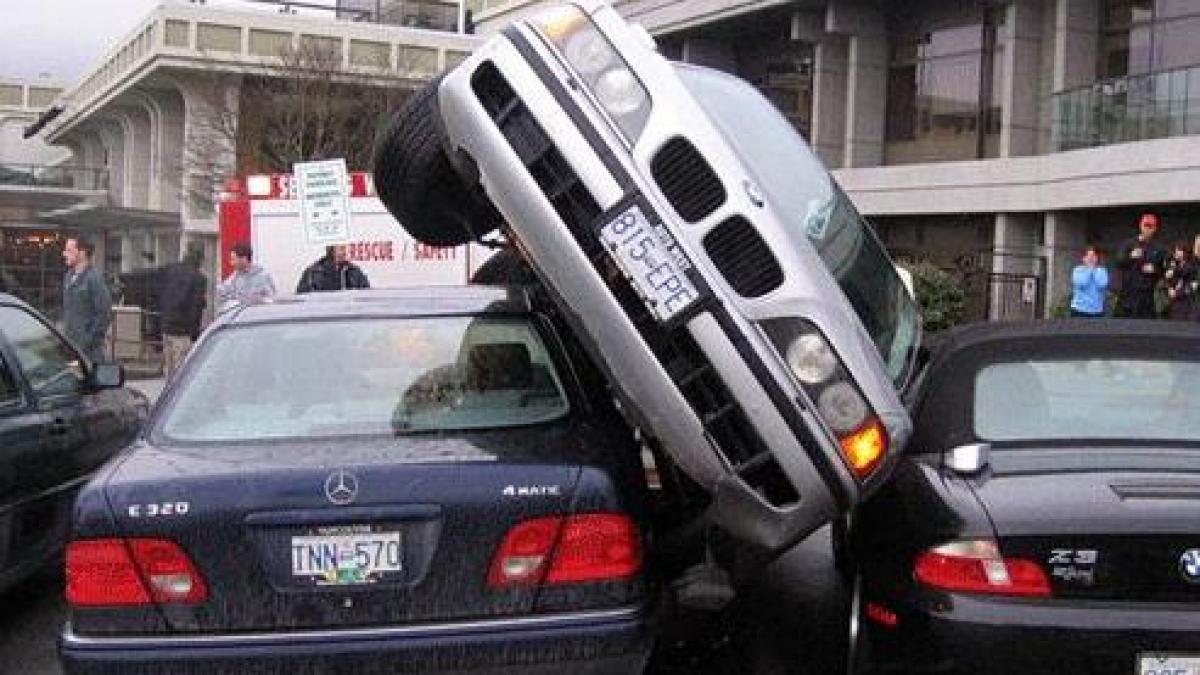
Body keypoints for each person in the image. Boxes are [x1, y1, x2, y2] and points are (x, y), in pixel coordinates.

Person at [61, 236, 113, 363]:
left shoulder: (94, 279)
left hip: (89, 353)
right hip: (71, 348)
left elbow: (104, 313)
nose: (64, 254)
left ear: (82, 253)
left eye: (69, 250)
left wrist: (88, 340)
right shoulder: (68, 276)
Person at [159, 246, 208, 377]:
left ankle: (168, 395)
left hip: (167, 325)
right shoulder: (199, 279)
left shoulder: (171, 270)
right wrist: (194, 334)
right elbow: (195, 308)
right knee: (182, 372)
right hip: (183, 330)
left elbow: (161, 295)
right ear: (200, 260)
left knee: (169, 371)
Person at [1113, 212, 1168, 319]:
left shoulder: (1159, 248)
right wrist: (1130, 257)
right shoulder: (1129, 244)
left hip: (1147, 296)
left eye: (1150, 226)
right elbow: (1118, 262)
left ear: (1155, 228)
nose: (1147, 229)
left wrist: (1155, 269)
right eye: (1145, 225)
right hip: (1128, 294)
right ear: (1140, 226)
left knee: (1146, 328)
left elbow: (1164, 271)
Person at [216, 242, 276, 313]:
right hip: (239, 320)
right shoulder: (232, 280)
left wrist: (256, 301)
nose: (231, 263)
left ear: (244, 259)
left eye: (233, 259)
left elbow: (271, 300)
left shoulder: (264, 277)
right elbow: (222, 301)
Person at [295, 244, 370, 293]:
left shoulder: (354, 271)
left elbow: (366, 294)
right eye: (342, 248)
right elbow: (302, 299)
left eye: (346, 249)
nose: (345, 252)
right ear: (331, 249)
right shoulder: (313, 272)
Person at [1069, 245, 1109, 318]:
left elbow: (1102, 285)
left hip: (1096, 311)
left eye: (1093, 256)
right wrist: (1089, 270)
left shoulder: (1102, 271)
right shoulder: (1077, 270)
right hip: (1079, 310)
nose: (1091, 258)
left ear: (1097, 258)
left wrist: (1093, 270)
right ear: (1083, 258)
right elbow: (1081, 283)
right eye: (1088, 256)